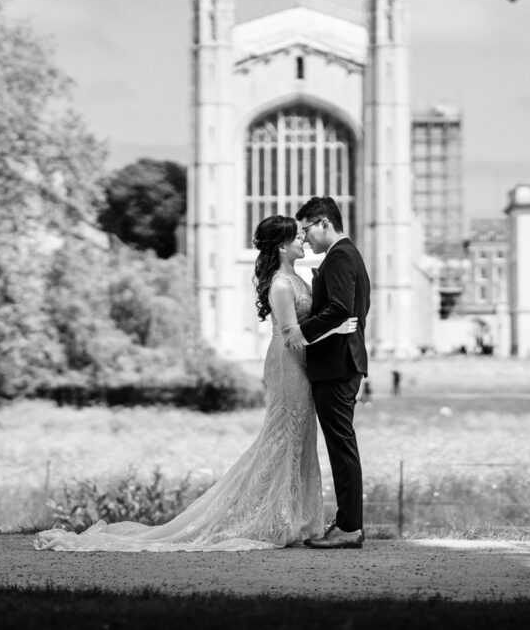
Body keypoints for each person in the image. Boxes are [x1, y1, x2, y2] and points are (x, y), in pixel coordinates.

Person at [33, 215, 356, 552]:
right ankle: (270, 517)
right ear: (282, 246)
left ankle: (294, 517)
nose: (303, 239)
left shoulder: (298, 277)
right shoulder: (280, 284)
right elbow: (291, 336)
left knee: (301, 437)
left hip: (301, 365)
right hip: (287, 365)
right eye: (297, 237)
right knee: (282, 437)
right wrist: (336, 329)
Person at [285, 195, 370, 549]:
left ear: (323, 223)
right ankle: (349, 522)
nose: (305, 237)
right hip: (342, 361)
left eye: (306, 229)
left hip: (335, 365)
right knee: (341, 444)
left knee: (340, 446)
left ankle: (350, 526)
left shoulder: (338, 257)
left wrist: (299, 334)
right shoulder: (349, 255)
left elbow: (337, 309)